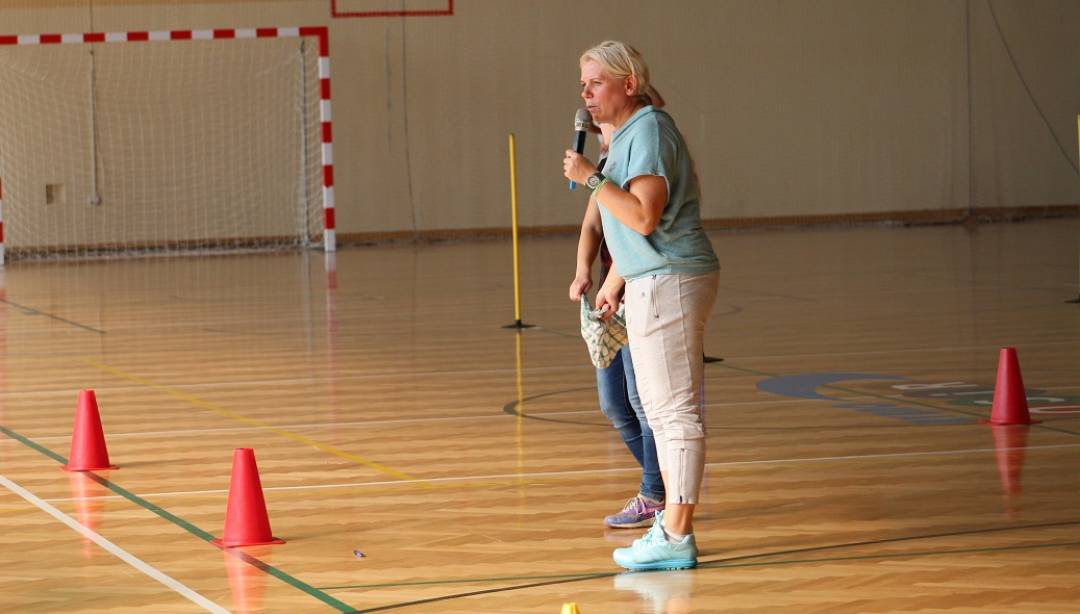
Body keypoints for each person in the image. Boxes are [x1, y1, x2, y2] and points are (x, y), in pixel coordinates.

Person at [563, 40, 719, 571]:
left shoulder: (649, 130)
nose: (585, 93)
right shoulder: (632, 134)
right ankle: (671, 522)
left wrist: (590, 177)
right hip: (650, 277)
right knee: (658, 408)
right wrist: (612, 282)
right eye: (582, 84)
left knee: (672, 413)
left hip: (670, 280)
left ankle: (675, 534)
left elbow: (645, 216)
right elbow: (635, 230)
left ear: (629, 84)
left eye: (596, 82)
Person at [569, 120, 665, 529]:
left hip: (639, 292)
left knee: (644, 403)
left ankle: (656, 492)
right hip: (611, 296)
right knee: (614, 404)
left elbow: (640, 232)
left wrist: (614, 284)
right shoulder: (608, 163)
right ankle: (668, 483)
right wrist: (582, 271)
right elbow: (594, 223)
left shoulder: (643, 159)